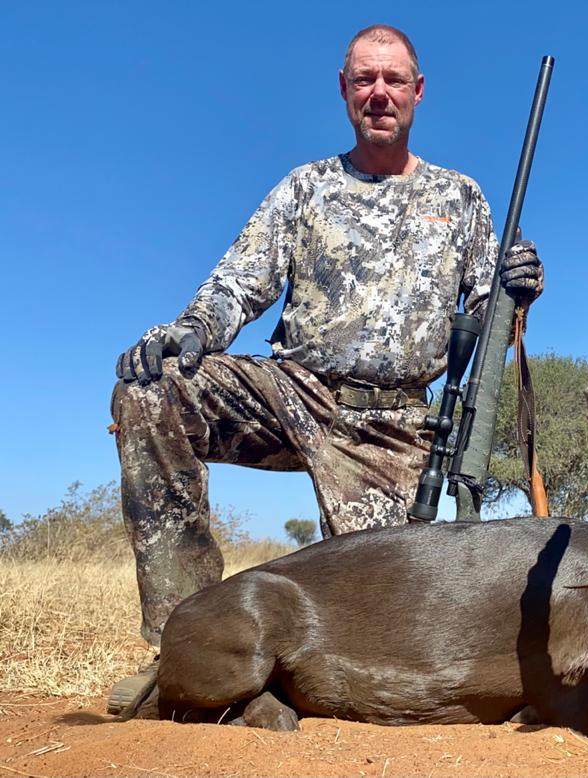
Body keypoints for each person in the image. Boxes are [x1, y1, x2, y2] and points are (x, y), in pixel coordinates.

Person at [106, 24, 543, 712]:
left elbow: (493, 323)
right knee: (152, 391)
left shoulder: (461, 198)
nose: (379, 93)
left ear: (418, 91)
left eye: (393, 80)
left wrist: (518, 292)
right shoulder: (304, 188)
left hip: (395, 428)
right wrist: (189, 330)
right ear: (344, 89)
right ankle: (182, 647)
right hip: (294, 395)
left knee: (389, 630)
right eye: (365, 79)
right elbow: (237, 285)